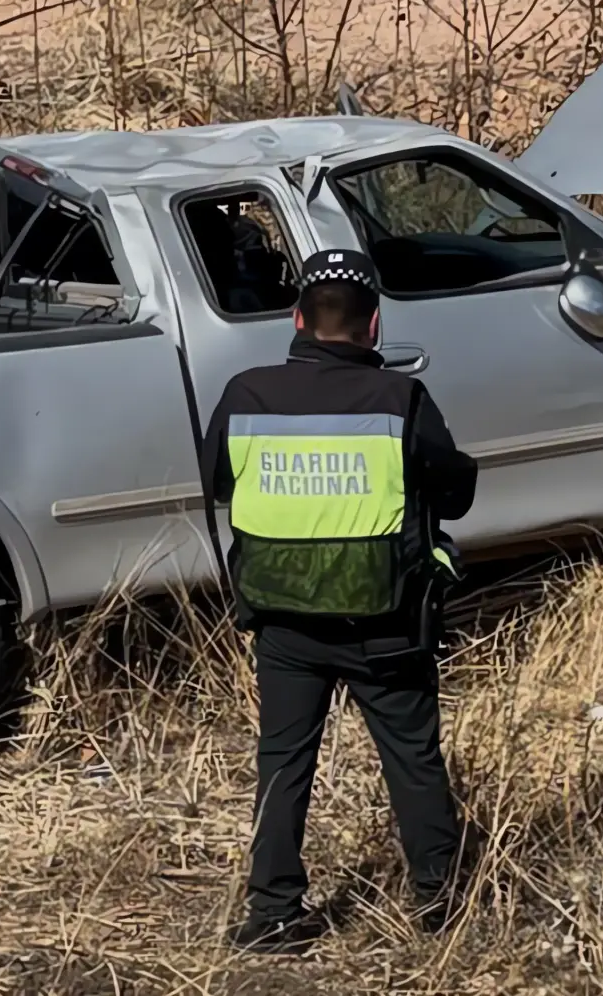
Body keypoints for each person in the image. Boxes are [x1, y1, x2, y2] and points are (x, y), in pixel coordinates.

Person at [198, 248, 479, 954]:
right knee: (412, 758)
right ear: (374, 326)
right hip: (386, 621)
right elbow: (456, 491)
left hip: (284, 619)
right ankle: (440, 904)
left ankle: (273, 914)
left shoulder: (246, 395)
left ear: (296, 320)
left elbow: (218, 483)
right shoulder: (402, 401)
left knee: (284, 762)